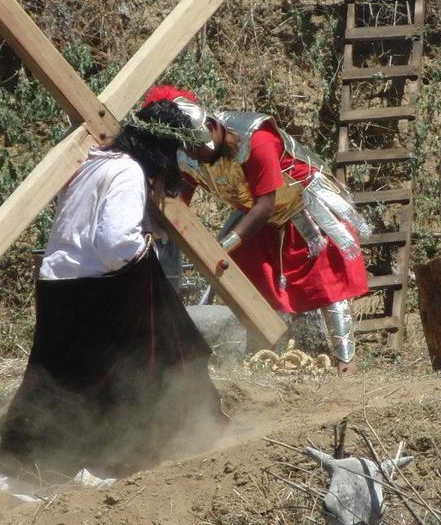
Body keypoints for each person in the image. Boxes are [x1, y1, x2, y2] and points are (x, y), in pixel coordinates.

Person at [0, 120, 225, 479]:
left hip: (58, 285)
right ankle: (131, 449)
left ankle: (34, 463)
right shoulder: (128, 171)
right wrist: (144, 247)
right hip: (98, 291)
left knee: (60, 381)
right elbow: (116, 243)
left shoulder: (91, 163)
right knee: (146, 362)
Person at [137, 86, 371, 376]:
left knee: (325, 282)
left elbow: (266, 205)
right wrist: (161, 223)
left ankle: (346, 361)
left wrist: (222, 245)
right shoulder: (188, 151)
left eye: (196, 147)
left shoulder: (257, 139)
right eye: (188, 150)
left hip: (302, 207)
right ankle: (266, 350)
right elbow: (179, 198)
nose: (194, 155)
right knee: (249, 277)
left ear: (211, 128)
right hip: (258, 215)